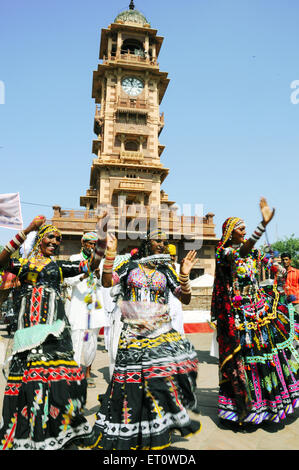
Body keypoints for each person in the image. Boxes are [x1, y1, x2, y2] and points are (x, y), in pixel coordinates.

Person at [85, 229, 201, 450]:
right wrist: (110, 254)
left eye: (165, 242)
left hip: (159, 336)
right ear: (148, 243)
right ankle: (127, 432)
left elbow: (185, 299)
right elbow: (107, 282)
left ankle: (154, 434)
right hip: (132, 335)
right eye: (158, 240)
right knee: (130, 384)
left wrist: (184, 275)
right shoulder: (130, 266)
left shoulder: (166, 271)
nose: (162, 245)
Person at [0, 214, 107, 450]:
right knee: (27, 388)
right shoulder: (22, 265)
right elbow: (1, 260)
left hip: (54, 335)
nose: (55, 242)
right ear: (40, 240)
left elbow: (92, 265)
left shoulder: (59, 267)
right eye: (51, 237)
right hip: (26, 336)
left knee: (58, 388)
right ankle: (28, 436)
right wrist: (29, 228)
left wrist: (101, 236)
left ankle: (54, 434)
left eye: (58, 240)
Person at [211, 197, 299, 427]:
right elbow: (243, 250)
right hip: (239, 315)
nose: (244, 231)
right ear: (230, 233)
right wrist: (263, 225)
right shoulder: (224, 253)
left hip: (260, 310)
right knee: (245, 358)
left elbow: (273, 265)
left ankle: (270, 405)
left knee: (268, 356)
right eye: (241, 229)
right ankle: (245, 406)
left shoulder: (253, 254)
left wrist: (279, 270)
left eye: (245, 228)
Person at [64, 232, 110, 388]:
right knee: (76, 339)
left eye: (95, 244)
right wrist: (84, 275)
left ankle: (88, 371)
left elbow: (105, 284)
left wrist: (97, 275)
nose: (93, 246)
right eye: (90, 243)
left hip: (94, 306)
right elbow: (68, 280)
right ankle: (75, 372)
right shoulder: (74, 260)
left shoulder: (101, 263)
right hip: (78, 305)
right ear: (83, 243)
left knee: (91, 341)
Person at [168, 244, 184, 334]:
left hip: (177, 303)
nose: (172, 258)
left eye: (174, 256)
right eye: (170, 255)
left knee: (178, 329)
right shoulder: (161, 268)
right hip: (166, 303)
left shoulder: (179, 267)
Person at [280, 253, 299, 323]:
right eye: (283, 260)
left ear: (290, 261)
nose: (285, 261)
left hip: (296, 302)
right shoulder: (279, 274)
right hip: (284, 303)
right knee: (287, 323)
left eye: (286, 259)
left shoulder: (297, 272)